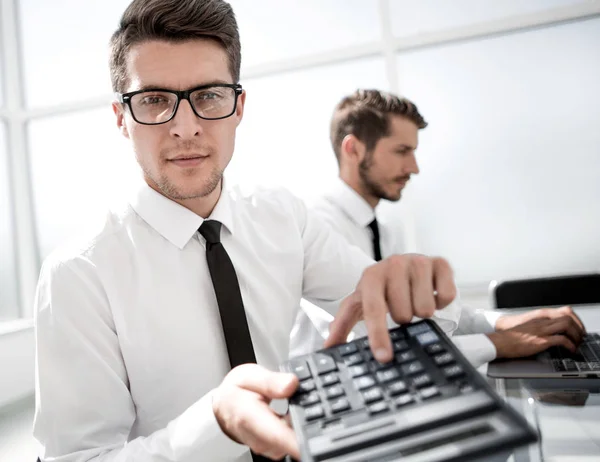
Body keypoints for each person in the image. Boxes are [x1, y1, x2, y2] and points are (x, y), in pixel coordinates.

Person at [32, 2, 473, 461]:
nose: (185, 128)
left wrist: (411, 288)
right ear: (122, 118)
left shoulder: (281, 216)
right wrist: (216, 423)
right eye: (155, 100)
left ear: (238, 105)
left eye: (209, 95)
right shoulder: (77, 275)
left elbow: (407, 315)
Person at [290, 88, 586, 368]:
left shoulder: (383, 230)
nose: (414, 167)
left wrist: (503, 323)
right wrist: (498, 343)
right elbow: (375, 339)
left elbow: (423, 311)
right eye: (402, 151)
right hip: (342, 401)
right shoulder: (318, 229)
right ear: (353, 149)